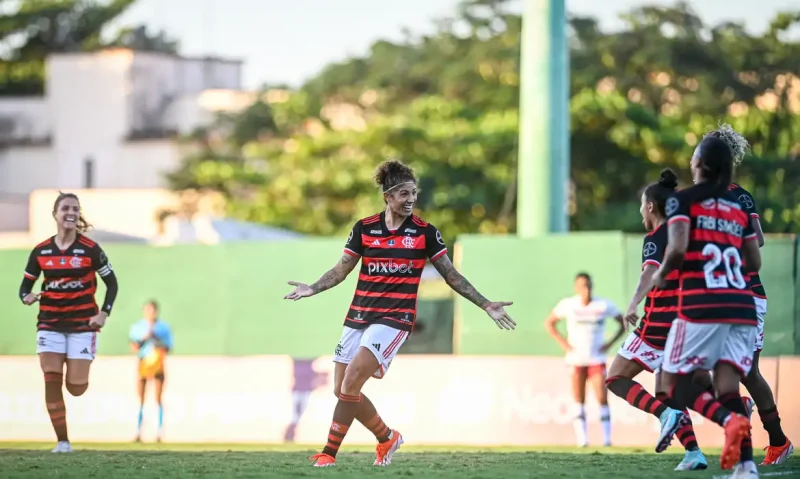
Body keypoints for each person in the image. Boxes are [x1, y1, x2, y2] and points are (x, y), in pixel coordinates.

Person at [284, 159, 516, 467]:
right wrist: (312, 287)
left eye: (414, 193)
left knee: (352, 380)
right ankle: (387, 437)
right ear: (388, 197)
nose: (411, 200)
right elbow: (342, 270)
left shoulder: (425, 233)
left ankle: (329, 453)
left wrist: (485, 303)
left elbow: (451, 275)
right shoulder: (364, 228)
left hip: (394, 319)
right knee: (343, 390)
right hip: (358, 317)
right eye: (404, 194)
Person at [652, 133, 761, 476]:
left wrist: (663, 274)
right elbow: (754, 262)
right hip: (742, 306)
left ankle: (729, 422)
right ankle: (746, 467)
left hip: (701, 305)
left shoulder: (682, 200)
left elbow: (679, 248)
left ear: (699, 164)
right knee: (727, 386)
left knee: (671, 384)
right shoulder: (737, 208)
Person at [606, 169, 707, 470]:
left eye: (641, 205)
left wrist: (633, 303)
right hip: (688, 323)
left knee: (615, 378)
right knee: (672, 389)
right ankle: (694, 453)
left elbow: (649, 272)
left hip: (659, 321)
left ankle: (665, 415)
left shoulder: (656, 237)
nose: (640, 211)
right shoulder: (687, 234)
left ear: (650, 206)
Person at [708, 124, 793, 466]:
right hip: (715, 295)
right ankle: (737, 407)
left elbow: (756, 239)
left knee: (747, 372)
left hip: (746, 293)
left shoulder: (737, 195)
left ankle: (777, 440)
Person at [18, 192, 119, 453]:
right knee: (51, 379)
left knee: (76, 388)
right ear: (55, 214)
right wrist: (26, 297)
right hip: (49, 323)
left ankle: (75, 372)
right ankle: (63, 442)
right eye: (65, 208)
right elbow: (25, 287)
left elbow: (112, 283)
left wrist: (103, 313)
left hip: (82, 325)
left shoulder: (90, 249)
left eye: (75, 208)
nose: (70, 212)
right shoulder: (41, 251)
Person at [545, 272, 625, 447]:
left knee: (602, 397)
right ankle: (583, 441)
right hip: (576, 359)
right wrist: (564, 344)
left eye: (588, 285)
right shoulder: (568, 305)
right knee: (578, 399)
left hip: (596, 358)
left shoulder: (603, 305)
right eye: (582, 286)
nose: (586, 289)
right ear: (576, 288)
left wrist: (609, 343)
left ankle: (606, 440)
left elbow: (623, 323)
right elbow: (549, 323)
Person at [129, 300, 173, 443]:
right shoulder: (138, 327)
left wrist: (156, 338)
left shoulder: (163, 328)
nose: (150, 313)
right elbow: (134, 347)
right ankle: (138, 431)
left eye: (152, 310)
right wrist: (144, 338)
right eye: (148, 310)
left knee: (158, 398)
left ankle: (159, 432)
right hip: (144, 361)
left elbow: (168, 348)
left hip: (158, 362)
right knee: (141, 399)